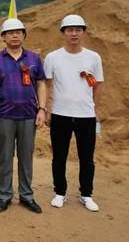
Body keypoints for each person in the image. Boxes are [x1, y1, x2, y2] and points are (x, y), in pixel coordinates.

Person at [44, 14, 103, 212]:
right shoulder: (52, 57)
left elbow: (98, 85)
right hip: (60, 114)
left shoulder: (93, 57)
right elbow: (46, 84)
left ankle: (86, 194)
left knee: (87, 158)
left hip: (86, 115)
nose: (74, 33)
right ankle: (60, 192)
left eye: (78, 30)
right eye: (69, 30)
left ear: (84, 33)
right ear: (63, 33)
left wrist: (96, 109)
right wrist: (47, 109)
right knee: (59, 156)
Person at [0, 19, 47, 214]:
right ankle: (4, 195)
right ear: (3, 37)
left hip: (28, 115)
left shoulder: (34, 58)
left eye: (18, 32)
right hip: (4, 115)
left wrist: (42, 109)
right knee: (5, 156)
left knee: (26, 157)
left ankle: (26, 195)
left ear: (24, 35)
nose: (15, 35)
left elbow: (41, 84)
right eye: (10, 32)